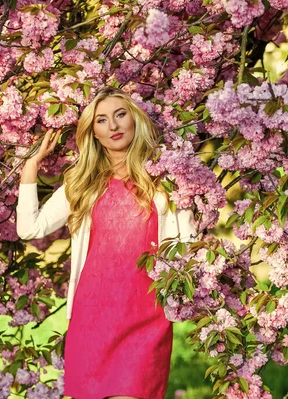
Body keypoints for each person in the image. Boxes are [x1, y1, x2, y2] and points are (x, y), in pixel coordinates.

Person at [16, 87, 197, 399]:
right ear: (93, 133)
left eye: (120, 115)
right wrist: (30, 167)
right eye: (102, 120)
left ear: (135, 120)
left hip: (146, 319)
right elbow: (29, 229)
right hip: (92, 319)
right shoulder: (81, 184)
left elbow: (186, 247)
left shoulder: (166, 181)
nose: (113, 126)